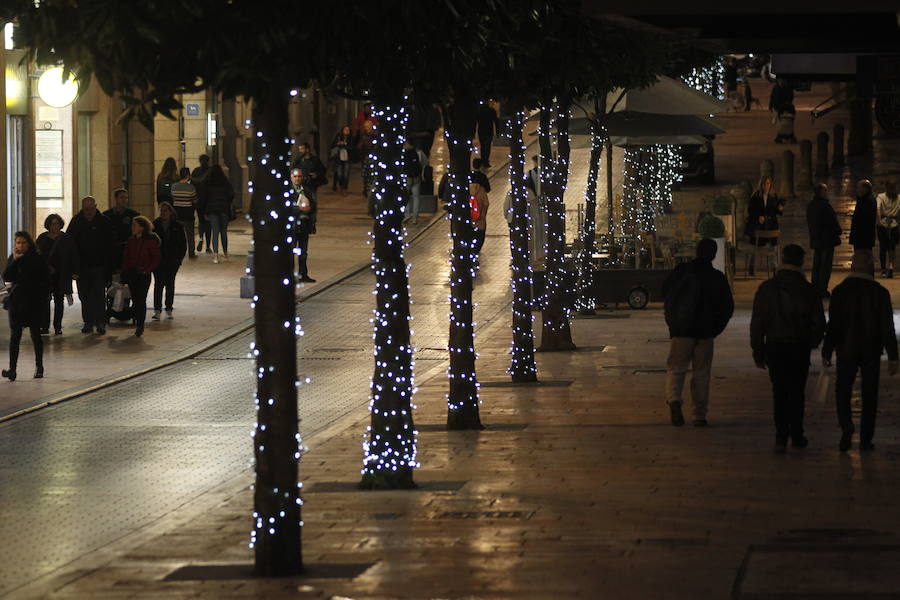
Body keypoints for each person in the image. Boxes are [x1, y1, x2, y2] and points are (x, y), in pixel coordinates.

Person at [750, 245, 826, 453]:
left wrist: (758, 349)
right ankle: (797, 434)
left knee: (780, 392)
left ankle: (781, 436)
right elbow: (819, 323)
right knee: (797, 392)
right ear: (801, 262)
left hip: (775, 345)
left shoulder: (767, 289)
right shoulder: (808, 290)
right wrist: (812, 342)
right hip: (798, 346)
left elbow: (758, 322)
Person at [822, 251, 898, 452]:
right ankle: (866, 438)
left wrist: (827, 350)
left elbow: (834, 325)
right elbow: (886, 326)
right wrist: (893, 355)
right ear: (871, 266)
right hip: (871, 348)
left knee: (843, 389)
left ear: (852, 266)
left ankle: (846, 426)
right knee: (870, 393)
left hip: (846, 347)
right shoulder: (880, 292)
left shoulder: (840, 292)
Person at [662, 239, 734, 427]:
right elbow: (727, 307)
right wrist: (715, 328)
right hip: (705, 332)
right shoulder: (716, 277)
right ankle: (699, 415)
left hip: (681, 330)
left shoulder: (683, 271)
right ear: (713, 254)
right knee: (702, 373)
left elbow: (666, 293)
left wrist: (673, 321)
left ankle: (674, 399)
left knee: (676, 368)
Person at [2, 231, 50, 380]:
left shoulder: (37, 258)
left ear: (29, 244)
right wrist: (15, 260)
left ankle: (39, 367)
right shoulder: (14, 258)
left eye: (23, 243)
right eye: (18, 243)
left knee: (35, 335)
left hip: (33, 302)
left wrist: (44, 298)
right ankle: (12, 369)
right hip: (17, 302)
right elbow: (7, 277)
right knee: (15, 336)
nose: (20, 246)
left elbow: (45, 279)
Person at [67, 196, 114, 334]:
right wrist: (73, 267)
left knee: (99, 294)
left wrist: (110, 267)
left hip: (99, 266)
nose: (88, 211)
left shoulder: (104, 221)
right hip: (81, 267)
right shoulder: (76, 222)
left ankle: (100, 321)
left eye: (91, 208)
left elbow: (110, 245)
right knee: (84, 295)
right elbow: (70, 244)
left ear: (96, 206)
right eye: (86, 209)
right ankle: (88, 321)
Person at [36, 214, 78, 335]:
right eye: (52, 224)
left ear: (60, 225)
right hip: (45, 274)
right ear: (48, 225)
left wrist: (75, 271)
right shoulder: (42, 238)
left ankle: (57, 326)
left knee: (59, 301)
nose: (54, 226)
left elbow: (73, 255)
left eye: (57, 224)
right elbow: (36, 255)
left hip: (62, 274)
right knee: (45, 301)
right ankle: (44, 326)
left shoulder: (67, 238)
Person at [121, 215, 160, 337]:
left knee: (141, 299)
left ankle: (140, 325)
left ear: (142, 228)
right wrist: (125, 271)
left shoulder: (150, 241)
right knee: (135, 299)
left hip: (143, 274)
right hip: (132, 274)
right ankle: (136, 319)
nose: (132, 227)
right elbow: (126, 257)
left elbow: (156, 258)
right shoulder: (131, 240)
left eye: (135, 225)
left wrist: (146, 270)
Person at [806, 183, 842, 298]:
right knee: (825, 266)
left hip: (816, 239)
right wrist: (838, 231)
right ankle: (822, 289)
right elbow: (832, 221)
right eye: (825, 191)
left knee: (816, 265)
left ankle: (815, 287)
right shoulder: (824, 206)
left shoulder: (811, 205)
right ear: (821, 192)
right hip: (827, 240)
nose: (827, 193)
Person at [152, 202, 187, 321]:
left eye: (165, 211)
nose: (163, 213)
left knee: (170, 285)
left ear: (170, 212)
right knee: (158, 285)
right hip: (158, 261)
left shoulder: (177, 226)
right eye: (161, 211)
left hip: (172, 261)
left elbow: (183, 244)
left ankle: (168, 309)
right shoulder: (155, 225)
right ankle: (157, 310)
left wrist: (178, 260)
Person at [746, 175, 783, 275]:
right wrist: (758, 216)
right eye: (765, 183)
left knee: (774, 245)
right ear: (761, 184)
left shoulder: (773, 196)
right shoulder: (755, 196)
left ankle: (775, 267)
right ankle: (752, 267)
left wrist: (779, 209)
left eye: (768, 183)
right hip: (758, 225)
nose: (766, 186)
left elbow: (774, 210)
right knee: (755, 246)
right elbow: (750, 210)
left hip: (771, 225)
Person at [102, 188, 140, 271]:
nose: (125, 200)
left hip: (128, 250)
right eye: (122, 197)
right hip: (112, 250)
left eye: (126, 198)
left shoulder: (133, 215)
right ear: (115, 199)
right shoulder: (106, 215)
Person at [290, 167, 317, 283]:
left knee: (303, 253)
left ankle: (303, 274)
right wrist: (299, 209)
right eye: (295, 176)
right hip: (292, 226)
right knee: (290, 252)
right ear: (291, 177)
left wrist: (309, 210)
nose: (297, 179)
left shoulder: (306, 190)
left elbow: (313, 206)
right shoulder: (287, 191)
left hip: (304, 226)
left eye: (299, 176)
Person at [204, 165, 234, 264]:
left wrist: (206, 211)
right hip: (224, 208)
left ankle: (215, 255)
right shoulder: (225, 182)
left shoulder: (209, 182)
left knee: (215, 232)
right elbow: (231, 194)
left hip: (213, 209)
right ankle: (225, 253)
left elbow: (205, 197)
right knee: (224, 232)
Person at [849, 179, 877, 276]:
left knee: (865, 259)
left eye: (859, 188)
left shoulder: (868, 201)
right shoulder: (863, 200)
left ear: (865, 189)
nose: (857, 190)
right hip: (861, 237)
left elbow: (864, 220)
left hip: (863, 237)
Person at [170, 167, 198, 259]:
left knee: (176, 235)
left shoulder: (173, 186)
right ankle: (191, 253)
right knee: (190, 235)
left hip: (177, 214)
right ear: (188, 176)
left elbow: (172, 199)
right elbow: (195, 201)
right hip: (188, 214)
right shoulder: (191, 188)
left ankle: (176, 252)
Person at [875, 179, 899, 278]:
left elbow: (878, 208)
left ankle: (889, 267)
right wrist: (879, 219)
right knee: (885, 247)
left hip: (892, 224)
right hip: (885, 224)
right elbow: (878, 208)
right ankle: (885, 268)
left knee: (890, 247)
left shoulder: (898, 198)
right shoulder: (881, 196)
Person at [469, 158, 491, 261]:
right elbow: (486, 203)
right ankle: (476, 253)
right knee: (480, 235)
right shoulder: (482, 188)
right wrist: (483, 214)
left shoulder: (467, 181)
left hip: (469, 217)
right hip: (479, 217)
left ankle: (470, 251)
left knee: (470, 234)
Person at [192, 154, 212, 253]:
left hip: (199, 201)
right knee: (208, 223)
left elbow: (192, 185)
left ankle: (201, 238)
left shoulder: (196, 171)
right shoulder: (211, 171)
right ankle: (208, 246)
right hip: (208, 202)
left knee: (201, 222)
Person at [403, 140, 426, 224]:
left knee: (406, 196)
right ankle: (415, 218)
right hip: (417, 177)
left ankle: (407, 214)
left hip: (407, 177)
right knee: (416, 198)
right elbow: (425, 163)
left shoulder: (404, 153)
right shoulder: (419, 153)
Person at [476, 102, 500, 168]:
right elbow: (496, 121)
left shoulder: (479, 111)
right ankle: (485, 161)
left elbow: (476, 120)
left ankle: (483, 160)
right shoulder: (492, 111)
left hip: (481, 131)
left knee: (483, 146)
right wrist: (498, 132)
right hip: (489, 131)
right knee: (487, 147)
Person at [330, 126, 352, 195]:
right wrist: (338, 143)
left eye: (348, 130)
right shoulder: (338, 137)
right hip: (338, 158)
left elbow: (352, 147)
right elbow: (332, 145)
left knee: (345, 174)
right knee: (339, 174)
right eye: (345, 130)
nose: (346, 131)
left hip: (347, 158)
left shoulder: (351, 138)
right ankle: (341, 187)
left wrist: (345, 144)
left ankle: (345, 188)